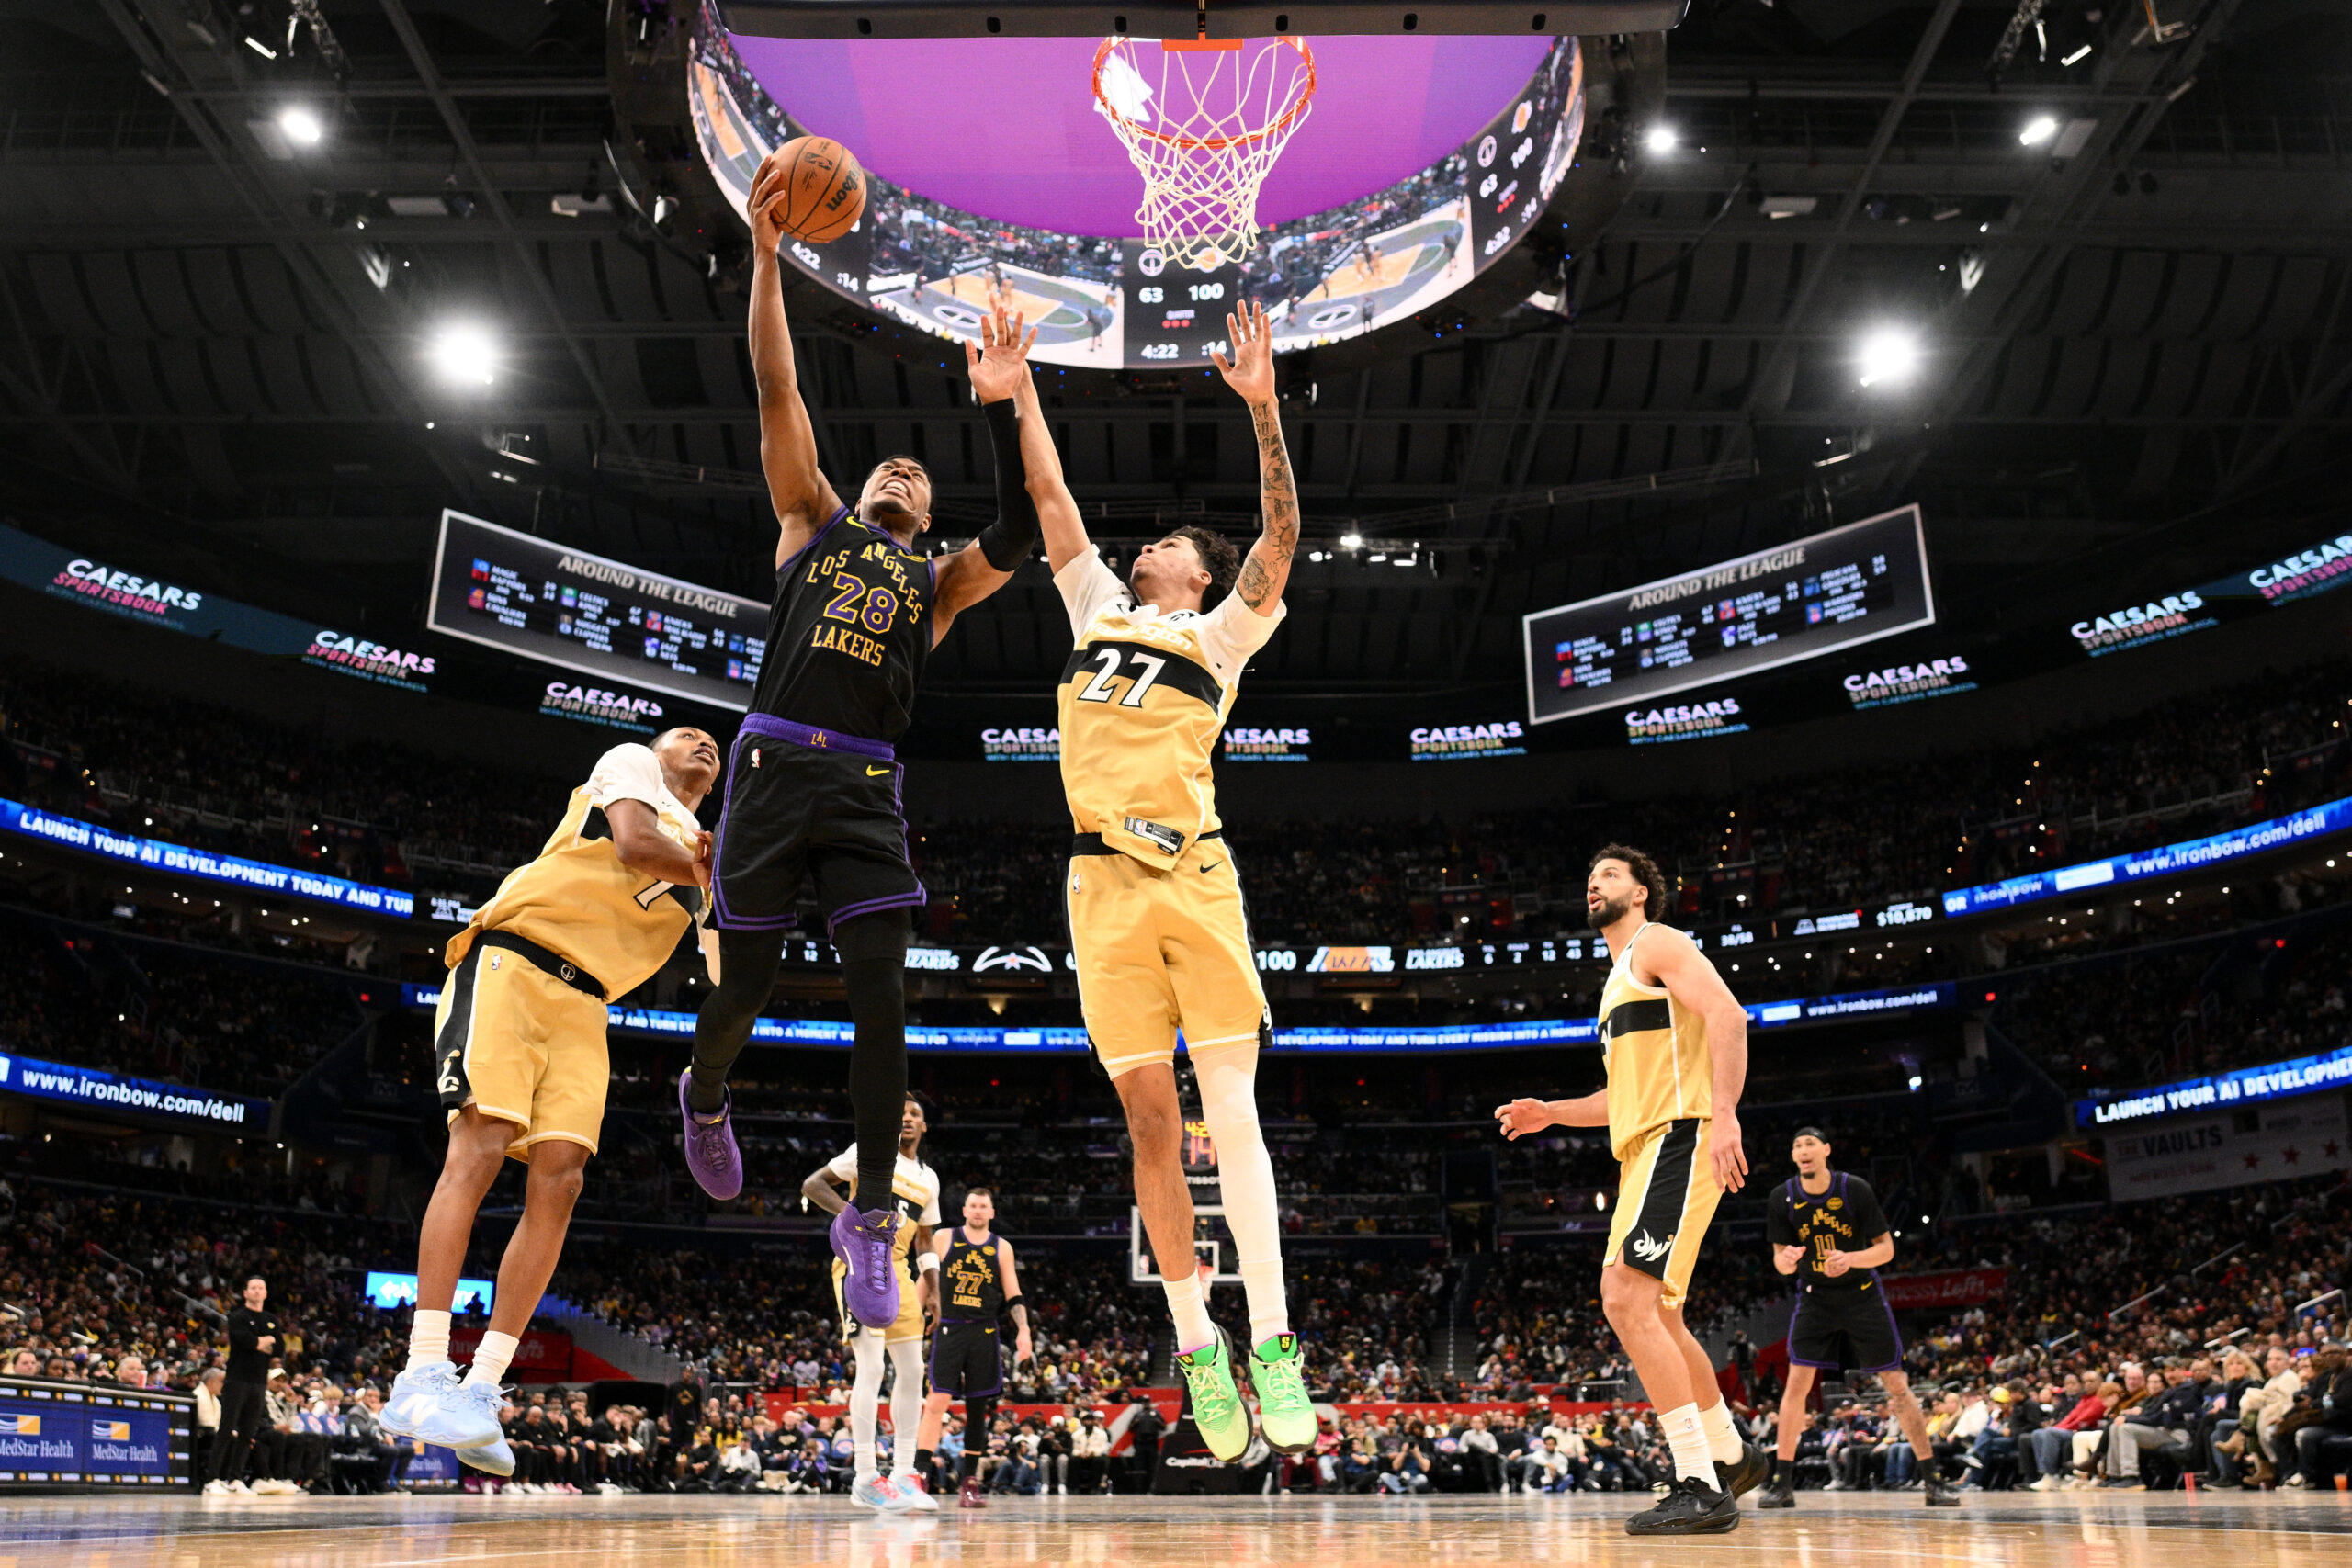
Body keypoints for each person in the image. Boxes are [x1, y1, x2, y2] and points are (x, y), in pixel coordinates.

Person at [679, 152, 1045, 1347]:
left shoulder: (937, 583)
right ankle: (705, 1092)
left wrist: (1001, 403)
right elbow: (776, 383)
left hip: (866, 782)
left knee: (884, 999)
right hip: (773, 764)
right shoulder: (812, 521)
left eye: (916, 475)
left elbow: (1021, 529)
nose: (900, 470)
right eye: (890, 463)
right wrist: (766, 259)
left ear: (927, 515)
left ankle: (873, 1214)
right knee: (744, 987)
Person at [1008, 298, 1310, 1462]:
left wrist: (1263, 408)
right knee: (1147, 1122)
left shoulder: (1222, 634)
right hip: (1100, 888)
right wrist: (1020, 390)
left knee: (1228, 1115)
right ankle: (1198, 1346)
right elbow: (1050, 499)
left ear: (1203, 573)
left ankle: (1272, 1339)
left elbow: (1282, 533)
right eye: (1148, 546)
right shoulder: (1096, 607)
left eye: (1170, 545)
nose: (1147, 549)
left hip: (1192, 874)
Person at [379, 728, 722, 1480]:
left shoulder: (710, 852)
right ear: (661, 749)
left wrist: (746, 888)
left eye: (712, 742)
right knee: (481, 1145)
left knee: (562, 1181)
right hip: (516, 959)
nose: (702, 741)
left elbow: (728, 970)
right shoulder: (633, 766)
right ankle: (422, 1370)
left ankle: (482, 1386)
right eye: (688, 734)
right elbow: (634, 844)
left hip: (588, 1006)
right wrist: (720, 868)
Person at [1496, 845, 1758, 1535]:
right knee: (1660, 1315)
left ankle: (1700, 1482)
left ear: (1642, 892)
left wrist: (1725, 1113)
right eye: (1590, 877)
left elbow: (1729, 1016)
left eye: (1610, 874)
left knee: (1624, 1297)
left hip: (1679, 1135)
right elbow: (1622, 1097)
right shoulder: (1618, 984)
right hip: (1642, 1149)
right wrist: (1552, 1112)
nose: (1594, 883)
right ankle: (1731, 1456)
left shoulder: (1659, 943)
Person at [1755, 1128, 1959, 1508]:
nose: (1803, 1150)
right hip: (1815, 1298)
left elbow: (1886, 1250)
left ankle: (1933, 1480)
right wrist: (1786, 1260)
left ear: (1826, 1150)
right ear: (1793, 1156)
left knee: (1896, 1383)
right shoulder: (1782, 1196)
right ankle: (1782, 1484)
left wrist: (1850, 1259)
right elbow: (1780, 1259)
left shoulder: (1854, 1189)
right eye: (1797, 1145)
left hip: (1862, 1295)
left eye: (1810, 1144)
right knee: (1796, 1386)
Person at [800, 1093, 942, 1513]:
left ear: (925, 1125)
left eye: (915, 1114)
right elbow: (812, 1185)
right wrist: (852, 1221)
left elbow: (924, 1239)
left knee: (913, 1370)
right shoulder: (868, 1152)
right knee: (873, 1367)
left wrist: (933, 1289)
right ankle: (864, 1477)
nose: (908, 1119)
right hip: (860, 1263)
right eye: (901, 1113)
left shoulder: (929, 1178)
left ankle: (904, 1474)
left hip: (901, 1273)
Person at [918, 1187, 1032, 1507]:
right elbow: (925, 1280)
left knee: (978, 1408)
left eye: (984, 1206)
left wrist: (1024, 1330)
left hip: (984, 1331)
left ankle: (969, 1482)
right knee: (936, 1402)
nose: (978, 1210)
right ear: (965, 1210)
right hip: (949, 1327)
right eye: (973, 1205)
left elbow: (1014, 1294)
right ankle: (919, 1477)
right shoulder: (944, 1237)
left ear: (992, 1212)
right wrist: (911, 1319)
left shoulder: (1002, 1247)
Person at [200, 1276, 283, 1496]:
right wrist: (265, 1341)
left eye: (261, 1287)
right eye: (253, 1287)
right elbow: (248, 1342)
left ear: (265, 1293)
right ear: (245, 1292)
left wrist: (261, 1343)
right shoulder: (237, 1317)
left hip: (259, 1382)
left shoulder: (271, 1319)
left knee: (248, 1432)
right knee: (227, 1429)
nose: (257, 1291)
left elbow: (278, 1350)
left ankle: (235, 1479)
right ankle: (212, 1479)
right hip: (237, 1380)